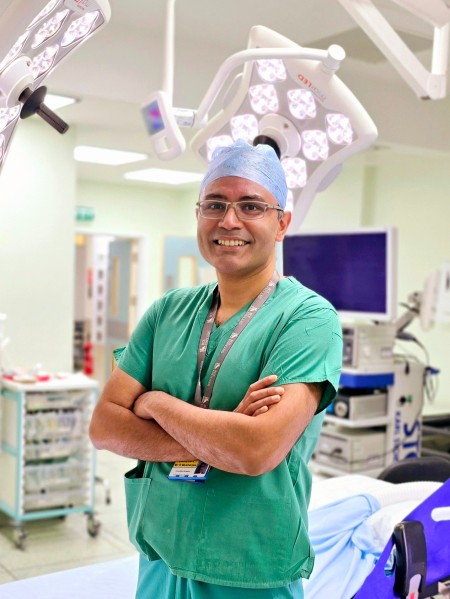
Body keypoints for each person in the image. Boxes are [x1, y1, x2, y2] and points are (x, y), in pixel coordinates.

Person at [89, 139, 343, 599]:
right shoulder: (168, 312)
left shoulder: (308, 319)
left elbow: (256, 450)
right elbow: (105, 427)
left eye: (251, 206)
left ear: (282, 222)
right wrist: (218, 436)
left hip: (250, 566)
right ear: (199, 214)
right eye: (215, 204)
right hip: (160, 554)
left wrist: (155, 402)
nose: (229, 220)